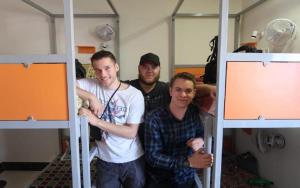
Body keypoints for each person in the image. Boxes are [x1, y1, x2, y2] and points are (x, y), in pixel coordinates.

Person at [77, 50, 145, 188]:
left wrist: (95, 121)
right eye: (98, 70)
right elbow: (62, 85)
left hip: (132, 159)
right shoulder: (91, 86)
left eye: (107, 68)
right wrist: (91, 97)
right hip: (105, 160)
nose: (103, 74)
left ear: (116, 67)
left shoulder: (134, 95)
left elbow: (131, 132)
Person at [144, 72, 214, 188]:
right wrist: (189, 162)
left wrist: (200, 140)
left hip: (187, 178)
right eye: (178, 90)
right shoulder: (154, 118)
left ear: (194, 93)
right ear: (170, 91)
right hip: (161, 181)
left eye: (188, 91)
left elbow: (200, 133)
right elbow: (152, 157)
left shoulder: (194, 112)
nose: (183, 94)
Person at [127, 53, 170, 144]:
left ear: (159, 69)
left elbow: (189, 88)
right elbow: (104, 85)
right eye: (145, 67)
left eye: (154, 67)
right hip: (132, 147)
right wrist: (91, 98)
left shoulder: (167, 89)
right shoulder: (127, 88)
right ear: (139, 68)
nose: (149, 70)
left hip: (160, 145)